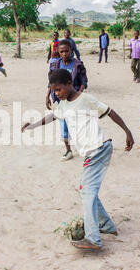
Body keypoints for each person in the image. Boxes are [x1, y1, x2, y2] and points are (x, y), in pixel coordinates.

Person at [22, 69, 134, 250]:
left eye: (59, 89)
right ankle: (107, 226)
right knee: (86, 191)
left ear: (69, 83)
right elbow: (52, 116)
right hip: (91, 152)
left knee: (87, 192)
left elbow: (110, 111)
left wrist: (127, 132)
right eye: (53, 91)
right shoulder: (63, 105)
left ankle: (93, 239)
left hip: (99, 148)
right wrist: (32, 126)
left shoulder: (85, 99)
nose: (57, 94)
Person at [46, 39, 88, 161]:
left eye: (67, 51)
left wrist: (79, 94)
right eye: (62, 51)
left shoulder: (77, 64)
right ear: (58, 52)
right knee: (64, 125)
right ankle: (68, 150)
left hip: (75, 100)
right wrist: (48, 95)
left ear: (71, 51)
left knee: (79, 125)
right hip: (61, 101)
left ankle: (85, 148)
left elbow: (83, 81)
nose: (64, 54)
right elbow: (51, 82)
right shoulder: (55, 65)